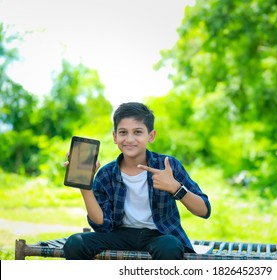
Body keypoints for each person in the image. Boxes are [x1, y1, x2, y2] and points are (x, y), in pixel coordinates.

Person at [63, 102, 211, 260]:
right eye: (123, 132)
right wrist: (85, 187)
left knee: (170, 246)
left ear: (151, 136)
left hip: (159, 236)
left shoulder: (168, 166)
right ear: (115, 137)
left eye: (138, 132)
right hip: (119, 235)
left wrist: (175, 188)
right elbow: (102, 224)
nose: (130, 139)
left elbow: (204, 210)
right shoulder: (106, 174)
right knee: (74, 243)